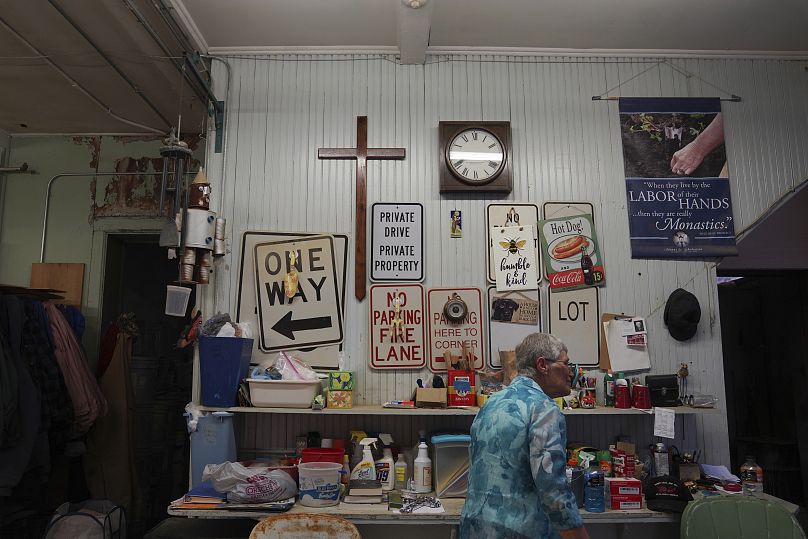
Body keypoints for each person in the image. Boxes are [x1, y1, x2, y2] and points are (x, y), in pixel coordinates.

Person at [460, 333, 590, 539]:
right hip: (520, 531)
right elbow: (553, 490)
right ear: (543, 365)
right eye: (566, 364)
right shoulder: (544, 409)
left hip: (475, 529)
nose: (570, 372)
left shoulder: (491, 404)